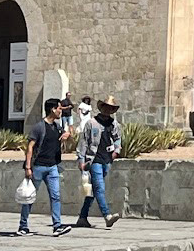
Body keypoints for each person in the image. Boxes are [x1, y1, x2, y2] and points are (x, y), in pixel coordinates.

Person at [20, 98, 72, 236]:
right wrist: (28, 167)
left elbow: (64, 140)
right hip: (38, 167)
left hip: (52, 167)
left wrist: (67, 135)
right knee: (29, 196)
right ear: (53, 109)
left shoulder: (57, 126)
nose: (61, 111)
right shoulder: (39, 127)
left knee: (56, 196)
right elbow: (30, 147)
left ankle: (57, 226)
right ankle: (23, 226)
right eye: (59, 108)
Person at [74, 95, 123, 230]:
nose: (108, 110)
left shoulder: (114, 125)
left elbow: (118, 138)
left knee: (95, 190)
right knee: (100, 188)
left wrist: (116, 151)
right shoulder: (91, 123)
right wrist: (81, 159)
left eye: (111, 108)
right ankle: (107, 216)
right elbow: (83, 142)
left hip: (106, 160)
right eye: (106, 107)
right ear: (102, 108)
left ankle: (82, 217)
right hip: (93, 159)